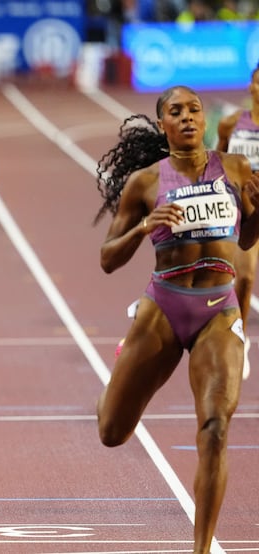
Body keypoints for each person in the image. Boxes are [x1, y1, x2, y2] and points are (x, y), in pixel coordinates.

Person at [93, 85, 259, 554]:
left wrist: (258, 214)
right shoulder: (145, 183)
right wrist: (145, 227)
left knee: (215, 430)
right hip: (164, 307)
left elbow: (246, 241)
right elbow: (107, 259)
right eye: (175, 112)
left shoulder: (235, 169)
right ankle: (123, 368)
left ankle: (201, 549)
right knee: (111, 431)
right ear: (163, 124)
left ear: (204, 119)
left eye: (194, 110)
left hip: (218, 311)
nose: (187, 117)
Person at [215, 64, 259, 378]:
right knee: (243, 279)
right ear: (251, 86)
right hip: (247, 211)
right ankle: (240, 340)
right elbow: (216, 161)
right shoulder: (232, 124)